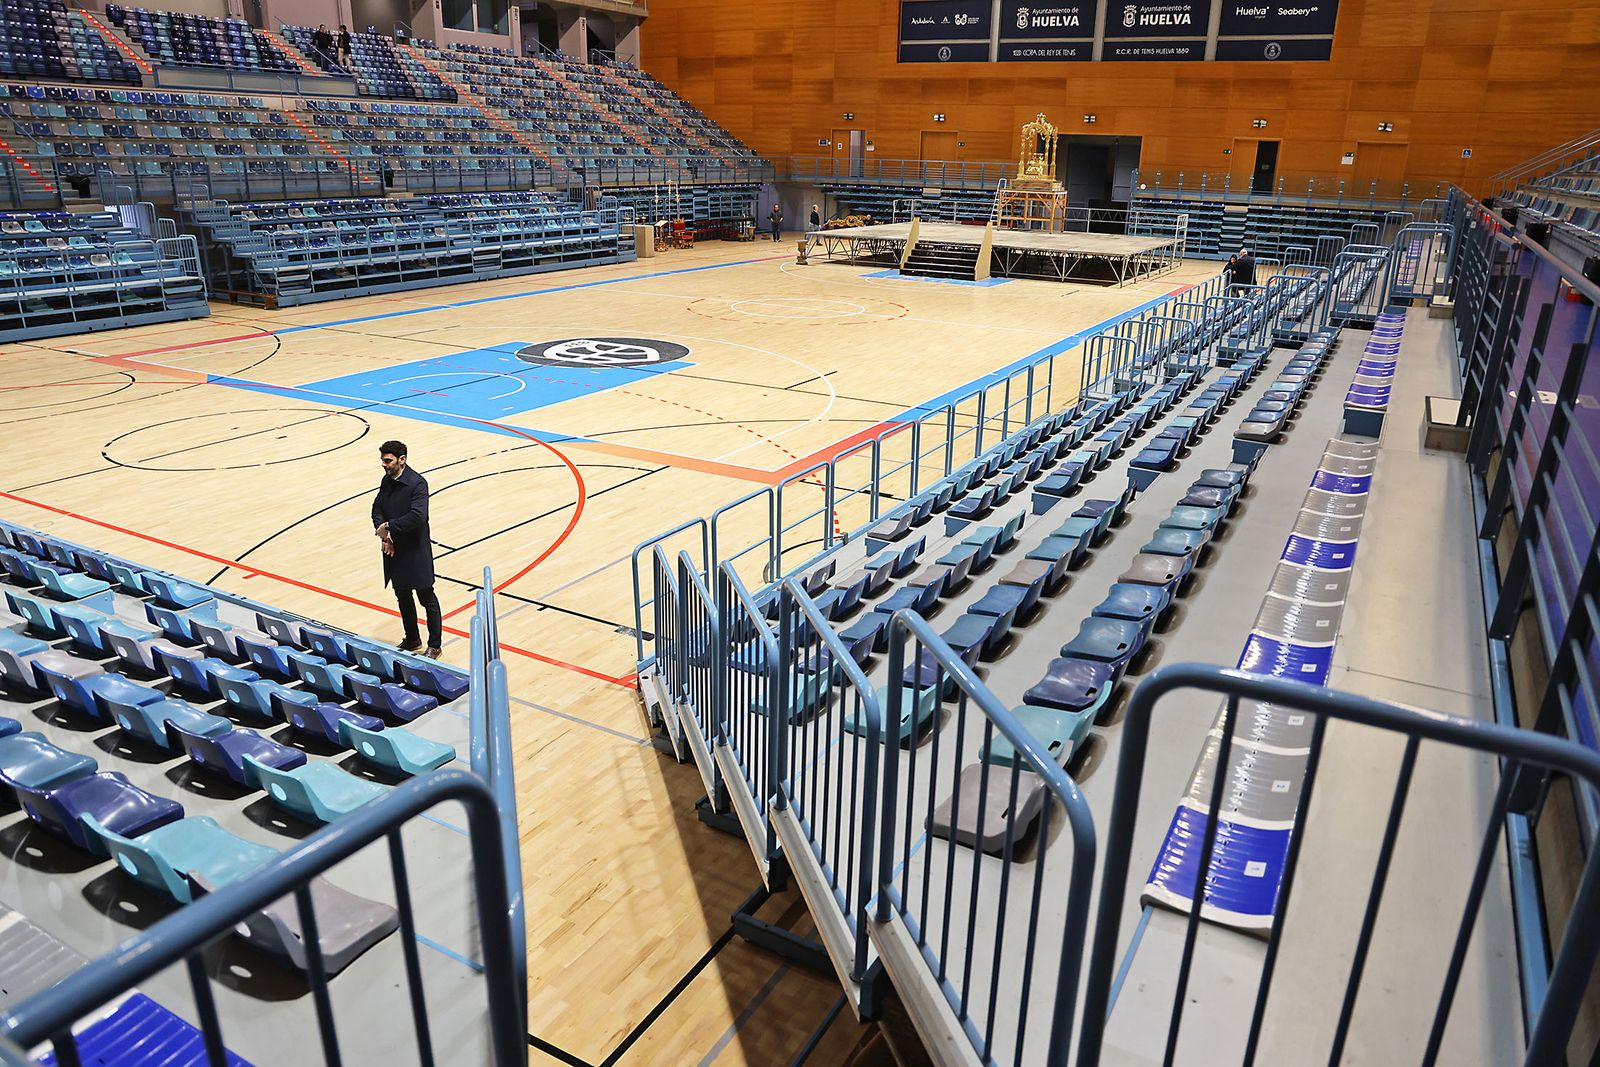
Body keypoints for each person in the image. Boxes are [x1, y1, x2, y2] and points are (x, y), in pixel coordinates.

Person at [372, 440, 442, 658]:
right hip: (394, 549)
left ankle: (435, 645)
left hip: (415, 550)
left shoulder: (418, 484)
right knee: (402, 595)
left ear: (402, 460)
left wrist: (389, 527)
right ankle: (412, 638)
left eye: (388, 461)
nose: (384, 465)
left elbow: (418, 516)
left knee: (426, 597)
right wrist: (385, 535)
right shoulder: (387, 481)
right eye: (383, 460)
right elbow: (377, 508)